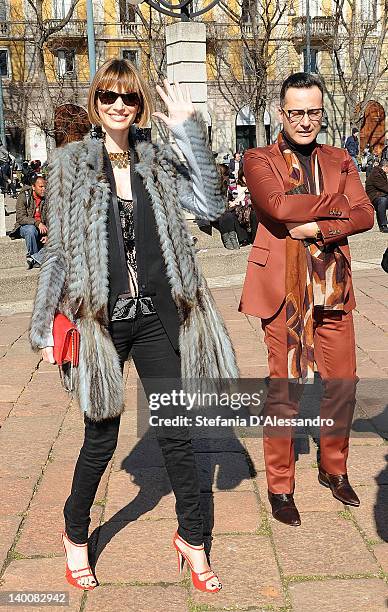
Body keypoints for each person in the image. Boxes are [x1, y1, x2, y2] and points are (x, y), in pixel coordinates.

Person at [29, 59, 238, 592]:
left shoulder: (158, 160)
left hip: (155, 318)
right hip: (100, 322)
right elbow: (56, 252)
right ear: (96, 103)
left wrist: (190, 129)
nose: (118, 106)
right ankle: (76, 533)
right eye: (108, 97)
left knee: (177, 433)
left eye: (128, 98)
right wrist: (45, 327)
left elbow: (212, 207)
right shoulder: (71, 164)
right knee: (101, 437)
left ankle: (192, 538)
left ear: (140, 106)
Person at [239, 72, 374, 526]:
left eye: (313, 112)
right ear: (281, 113)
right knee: (286, 390)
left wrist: (321, 227)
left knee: (343, 385)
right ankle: (281, 486)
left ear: (322, 113)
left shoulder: (340, 158)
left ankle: (333, 468)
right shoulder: (257, 157)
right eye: (295, 112)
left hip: (333, 287)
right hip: (284, 290)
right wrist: (336, 205)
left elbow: (366, 213)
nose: (304, 121)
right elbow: (275, 207)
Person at [9, 175, 48, 269]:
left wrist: (48, 234)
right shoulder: (24, 196)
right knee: (31, 230)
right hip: (25, 227)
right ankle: (36, 258)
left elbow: (51, 218)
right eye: (41, 187)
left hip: (42, 229)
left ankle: (33, 259)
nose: (44, 189)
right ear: (34, 187)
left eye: (45, 187)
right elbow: (21, 218)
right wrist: (37, 223)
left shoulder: (47, 199)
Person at [365, 159, 388, 232]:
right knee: (382, 201)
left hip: (381, 194)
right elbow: (385, 187)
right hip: (374, 197)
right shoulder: (376, 174)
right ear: (385, 167)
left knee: (383, 199)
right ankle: (383, 225)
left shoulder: (380, 173)